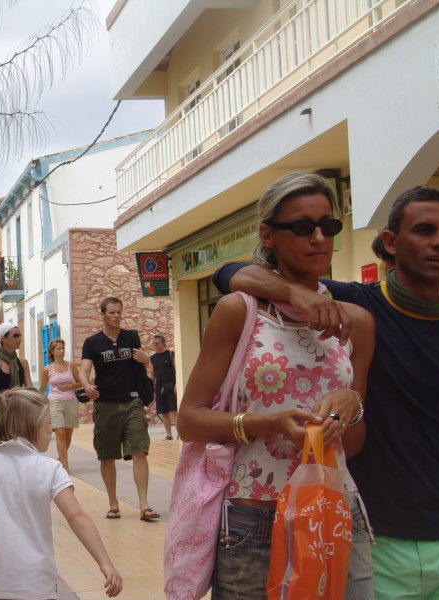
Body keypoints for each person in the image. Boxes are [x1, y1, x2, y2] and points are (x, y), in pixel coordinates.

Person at [214, 183, 439, 599]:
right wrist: (291, 290)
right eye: (424, 230)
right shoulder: (353, 307)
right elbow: (228, 273)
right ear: (390, 242)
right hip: (376, 533)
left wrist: (354, 406)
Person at [179, 173, 375, 598]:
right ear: (267, 234)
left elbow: (353, 444)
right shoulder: (239, 311)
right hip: (255, 519)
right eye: (304, 227)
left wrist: (350, 407)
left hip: (335, 512)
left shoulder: (356, 321)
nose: (319, 238)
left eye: (330, 227)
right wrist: (268, 422)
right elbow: (188, 420)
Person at [0, 388, 123, 599]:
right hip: (37, 585)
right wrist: (105, 563)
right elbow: (76, 517)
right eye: (48, 423)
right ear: (32, 426)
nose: (52, 430)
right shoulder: (50, 468)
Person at [78, 297, 160, 522]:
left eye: (119, 313)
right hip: (106, 404)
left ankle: (144, 505)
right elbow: (84, 369)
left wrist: (146, 359)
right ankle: (113, 503)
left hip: (132, 401)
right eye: (111, 313)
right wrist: (86, 384)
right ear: (102, 315)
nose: (116, 316)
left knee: (139, 451)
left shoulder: (131, 337)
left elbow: (145, 363)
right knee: (107, 456)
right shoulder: (92, 343)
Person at [39, 338, 81, 472]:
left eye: (63, 348)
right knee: (60, 433)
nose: (62, 351)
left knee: (68, 434)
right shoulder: (47, 369)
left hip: (71, 401)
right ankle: (65, 465)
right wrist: (38, 403)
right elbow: (42, 388)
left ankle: (61, 458)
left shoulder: (71, 366)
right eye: (58, 348)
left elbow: (81, 382)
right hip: (54, 401)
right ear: (52, 351)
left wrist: (72, 386)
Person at [148, 335, 177, 440]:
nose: (155, 345)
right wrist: (150, 388)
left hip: (171, 386)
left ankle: (180, 434)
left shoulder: (170, 354)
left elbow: (176, 370)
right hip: (159, 388)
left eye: (157, 343)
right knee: (164, 412)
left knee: (174, 411)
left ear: (163, 343)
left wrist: (176, 385)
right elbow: (151, 374)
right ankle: (169, 435)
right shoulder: (152, 358)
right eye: (153, 343)